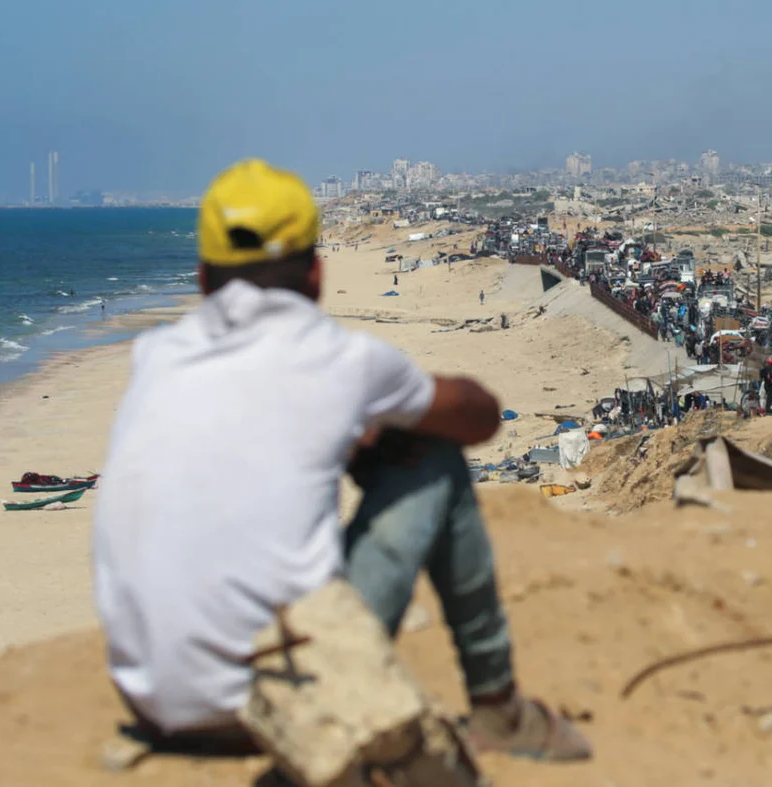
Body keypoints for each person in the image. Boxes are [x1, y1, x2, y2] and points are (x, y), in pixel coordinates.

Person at [91, 161, 590, 760]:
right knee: (433, 456)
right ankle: (500, 710)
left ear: (202, 279)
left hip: (155, 707)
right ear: (317, 273)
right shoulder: (341, 362)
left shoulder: (155, 355)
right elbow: (479, 417)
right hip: (286, 702)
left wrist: (353, 431)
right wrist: (376, 420)